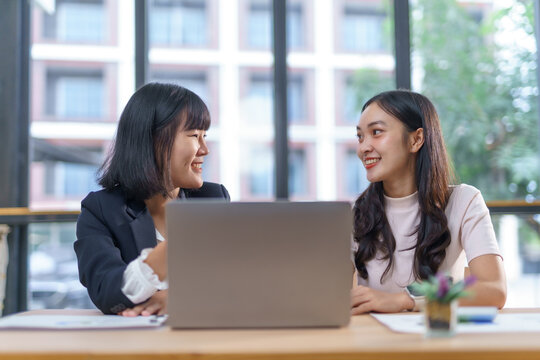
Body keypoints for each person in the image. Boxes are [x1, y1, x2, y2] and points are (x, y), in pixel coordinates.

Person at [74, 83, 230, 316]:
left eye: (204, 136)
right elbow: (105, 290)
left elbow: (233, 285)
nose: (204, 149)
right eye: (194, 136)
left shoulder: (213, 199)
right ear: (153, 141)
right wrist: (169, 252)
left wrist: (178, 299)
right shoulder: (101, 209)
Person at [351, 89, 507, 314]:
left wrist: (407, 301)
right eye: (360, 136)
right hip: (374, 342)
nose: (363, 147)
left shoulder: (464, 201)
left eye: (376, 132)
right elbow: (327, 294)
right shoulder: (356, 213)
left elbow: (494, 291)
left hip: (436, 339)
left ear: (416, 139)